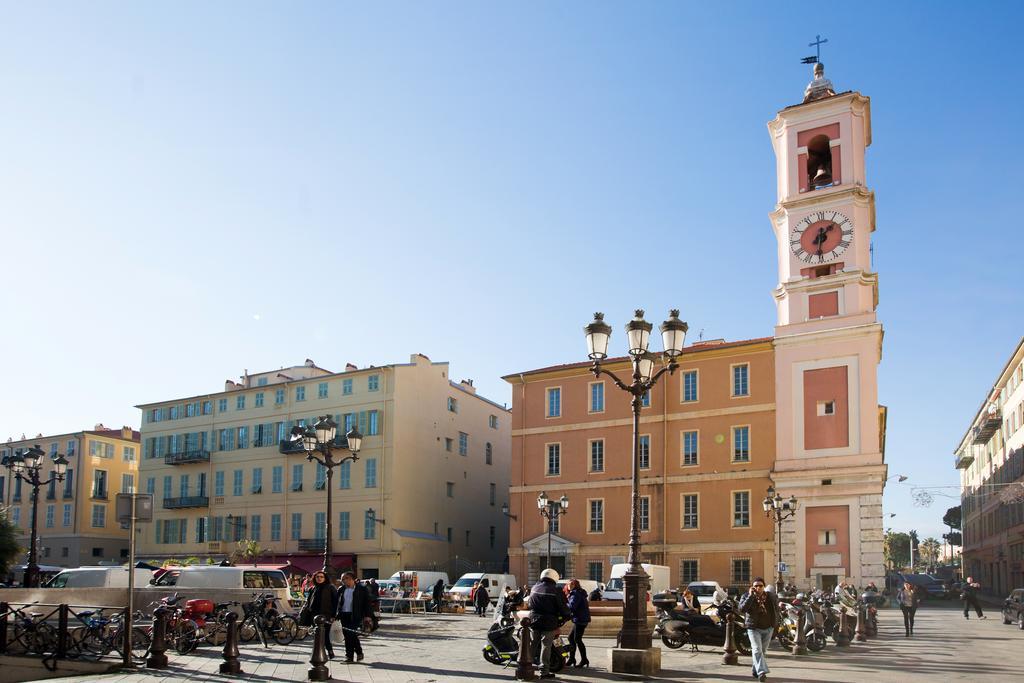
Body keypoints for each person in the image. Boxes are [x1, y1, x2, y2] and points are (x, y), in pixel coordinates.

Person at [528, 568, 571, 680]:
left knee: (533, 644)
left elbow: (529, 603)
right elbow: (564, 609)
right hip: (549, 622)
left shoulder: (534, 587)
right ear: (554, 577)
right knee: (546, 647)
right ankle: (544, 672)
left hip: (533, 620)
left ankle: (526, 666)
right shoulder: (556, 590)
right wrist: (566, 617)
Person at [738, 577, 777, 683]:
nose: (758, 588)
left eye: (760, 586)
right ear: (752, 587)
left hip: (768, 628)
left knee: (762, 652)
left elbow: (776, 609)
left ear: (764, 587)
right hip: (753, 628)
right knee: (756, 650)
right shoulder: (746, 596)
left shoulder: (770, 596)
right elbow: (742, 609)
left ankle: (755, 670)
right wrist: (751, 596)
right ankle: (762, 673)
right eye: (756, 586)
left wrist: (774, 625)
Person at [299, 570, 339, 659]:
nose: (319, 578)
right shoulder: (313, 588)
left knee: (324, 635)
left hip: (326, 616)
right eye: (317, 577)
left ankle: (330, 651)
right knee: (317, 635)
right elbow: (309, 603)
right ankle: (320, 652)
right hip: (314, 616)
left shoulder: (330, 588)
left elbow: (336, 603)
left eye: (321, 577)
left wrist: (333, 616)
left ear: (325, 578)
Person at [336, 572, 372, 663]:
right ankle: (356, 654)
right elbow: (337, 603)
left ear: (352, 579)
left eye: (346, 578)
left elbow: (367, 603)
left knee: (350, 634)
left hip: (355, 615)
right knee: (348, 635)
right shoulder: (341, 589)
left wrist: (367, 616)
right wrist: (335, 614)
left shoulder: (361, 589)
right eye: (342, 579)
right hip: (344, 614)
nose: (344, 581)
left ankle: (350, 656)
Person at [565, 578, 590, 668]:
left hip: (580, 620)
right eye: (568, 584)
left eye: (571, 584)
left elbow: (572, 606)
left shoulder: (575, 594)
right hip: (581, 619)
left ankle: (583, 659)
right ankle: (573, 659)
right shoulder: (578, 592)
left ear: (575, 585)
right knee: (572, 638)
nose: (569, 586)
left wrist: (564, 605)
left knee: (576, 639)